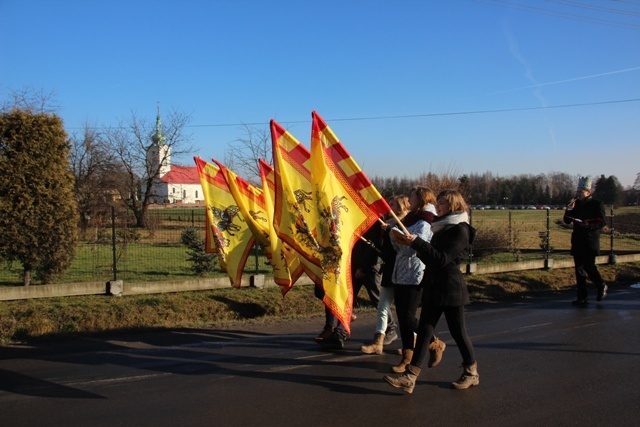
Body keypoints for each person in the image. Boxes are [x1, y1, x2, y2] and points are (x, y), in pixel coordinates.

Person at [384, 189, 478, 393]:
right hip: (433, 285)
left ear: (453, 205)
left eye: (443, 202)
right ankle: (410, 377)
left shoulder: (460, 230)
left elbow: (443, 259)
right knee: (425, 331)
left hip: (451, 288)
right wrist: (413, 246)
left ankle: (471, 372)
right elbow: (431, 258)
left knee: (458, 332)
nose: (438, 205)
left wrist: (417, 242)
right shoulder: (440, 228)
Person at [388, 187, 445, 373]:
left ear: (421, 199)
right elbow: (400, 248)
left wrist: (396, 236)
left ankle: (434, 343)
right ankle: (407, 356)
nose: (409, 200)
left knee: (409, 317)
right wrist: (394, 236)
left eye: (412, 196)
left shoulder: (426, 220)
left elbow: (413, 248)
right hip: (400, 272)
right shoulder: (411, 218)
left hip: (415, 273)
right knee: (402, 317)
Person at [360, 196, 408, 355]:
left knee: (406, 311)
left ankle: (420, 344)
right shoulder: (386, 224)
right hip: (388, 270)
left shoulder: (405, 224)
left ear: (400, 207)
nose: (389, 206)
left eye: (393, 204)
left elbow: (403, 248)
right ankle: (378, 341)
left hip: (402, 271)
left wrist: (389, 232)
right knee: (382, 305)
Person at [563, 176, 607, 305]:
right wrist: (569, 209)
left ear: (588, 192)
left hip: (590, 240)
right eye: (577, 191)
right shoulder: (575, 205)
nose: (578, 194)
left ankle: (601, 285)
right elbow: (567, 220)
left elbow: (602, 222)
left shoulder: (597, 204)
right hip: (577, 240)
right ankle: (582, 297)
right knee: (579, 270)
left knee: (589, 266)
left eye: (581, 192)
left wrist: (588, 225)